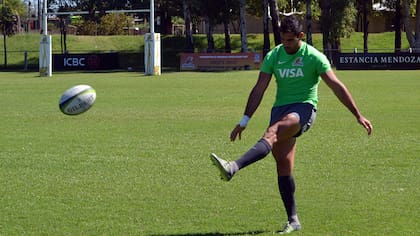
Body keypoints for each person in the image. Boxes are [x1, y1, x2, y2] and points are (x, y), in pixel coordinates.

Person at [210, 15, 373, 234]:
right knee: (283, 165)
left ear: (301, 37)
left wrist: (358, 115)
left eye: (290, 41)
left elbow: (336, 86)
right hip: (280, 109)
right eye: (283, 40)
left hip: (304, 109)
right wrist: (244, 120)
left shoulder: (314, 57)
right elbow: (259, 88)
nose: (286, 45)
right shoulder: (274, 56)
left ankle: (232, 167)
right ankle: (293, 220)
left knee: (273, 131)